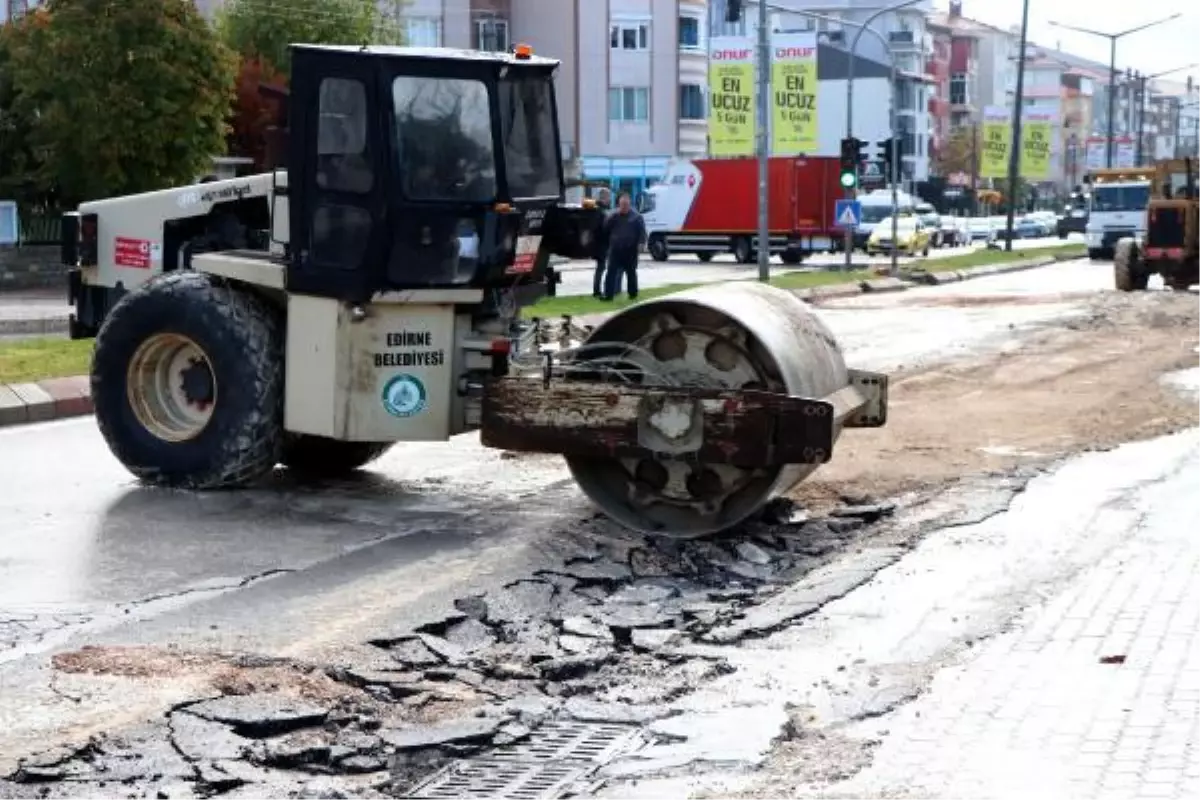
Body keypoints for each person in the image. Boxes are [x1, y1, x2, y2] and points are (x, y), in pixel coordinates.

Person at [601, 191, 646, 302]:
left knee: (631, 273)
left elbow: (642, 232)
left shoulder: (636, 217)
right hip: (615, 250)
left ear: (629, 204)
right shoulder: (614, 216)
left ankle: (633, 294)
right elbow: (605, 229)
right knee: (611, 273)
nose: (624, 206)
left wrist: (641, 244)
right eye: (622, 204)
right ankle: (608, 295)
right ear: (619, 204)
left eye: (626, 204)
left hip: (630, 250)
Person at [591, 187, 612, 298]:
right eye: (608, 197)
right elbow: (603, 228)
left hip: (598, 243)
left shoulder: (597, 209)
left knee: (601, 267)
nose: (609, 199)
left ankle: (597, 290)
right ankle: (597, 291)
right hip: (602, 244)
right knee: (601, 267)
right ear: (604, 197)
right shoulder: (601, 211)